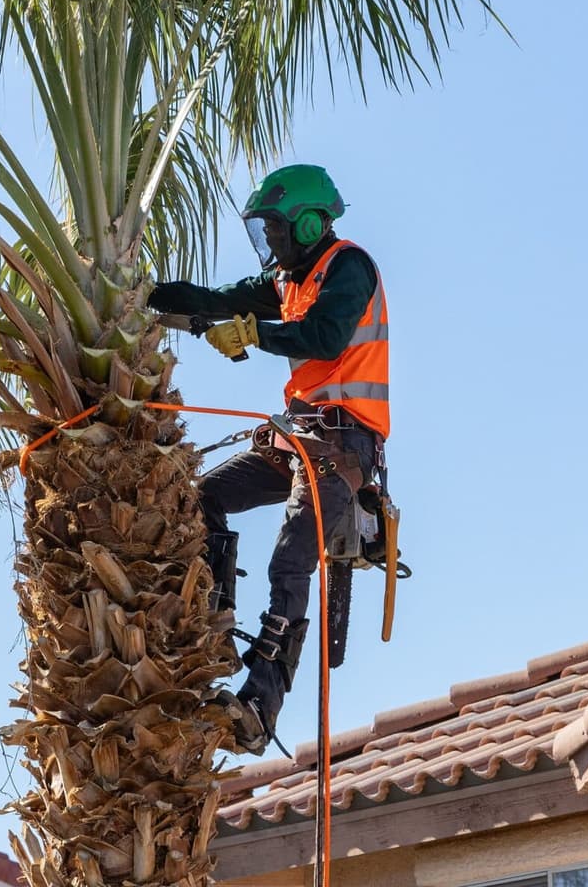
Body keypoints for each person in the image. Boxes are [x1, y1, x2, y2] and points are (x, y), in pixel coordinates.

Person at [148, 164, 390, 753]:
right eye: (264, 233)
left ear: (310, 223)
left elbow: (326, 336)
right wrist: (144, 296)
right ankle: (215, 627)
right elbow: (216, 299)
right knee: (203, 497)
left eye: (276, 231)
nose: (271, 245)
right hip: (299, 437)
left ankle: (260, 707)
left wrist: (256, 335)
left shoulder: (348, 267)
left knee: (289, 563)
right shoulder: (287, 280)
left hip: (344, 445)